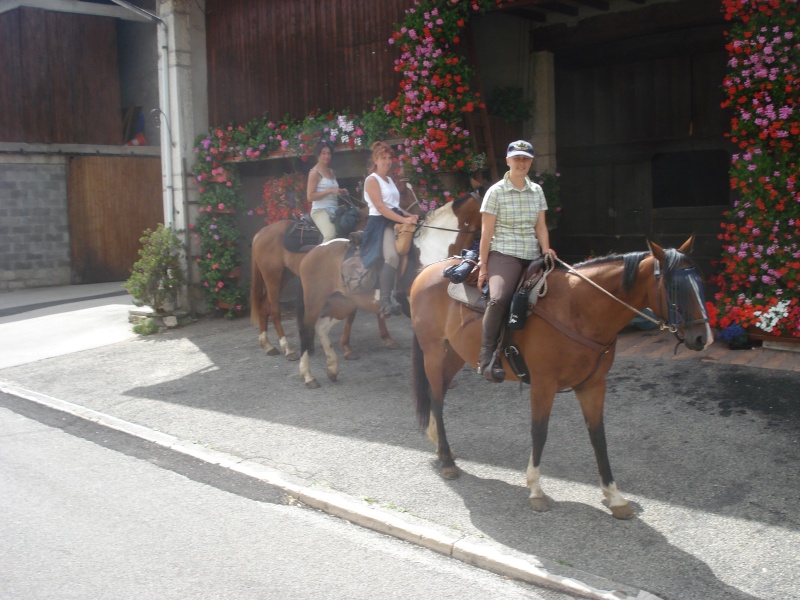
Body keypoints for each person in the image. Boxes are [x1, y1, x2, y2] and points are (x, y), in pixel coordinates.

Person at [477, 140, 556, 383]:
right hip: (505, 254)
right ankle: (486, 355)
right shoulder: (495, 192)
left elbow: (541, 227)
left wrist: (546, 250)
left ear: (531, 162)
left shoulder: (537, 191)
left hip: (533, 254)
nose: (521, 163)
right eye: (517, 158)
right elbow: (486, 234)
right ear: (508, 160)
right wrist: (483, 266)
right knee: (499, 297)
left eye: (526, 159)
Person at [361, 141, 419, 317]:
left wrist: (410, 215)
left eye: (389, 158)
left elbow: (394, 205)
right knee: (392, 256)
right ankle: (385, 302)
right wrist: (404, 219)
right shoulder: (371, 180)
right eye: (383, 158)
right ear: (375, 160)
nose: (387, 161)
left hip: (393, 219)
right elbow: (381, 207)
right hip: (380, 223)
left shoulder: (389, 180)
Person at [307, 140, 347, 242]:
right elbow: (310, 197)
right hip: (320, 210)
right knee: (330, 235)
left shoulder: (332, 171)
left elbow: (333, 192)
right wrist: (329, 191)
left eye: (328, 153)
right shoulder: (314, 173)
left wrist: (341, 192)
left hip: (334, 210)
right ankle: (321, 257)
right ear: (318, 155)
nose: (326, 156)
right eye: (323, 153)